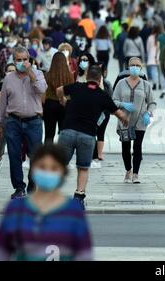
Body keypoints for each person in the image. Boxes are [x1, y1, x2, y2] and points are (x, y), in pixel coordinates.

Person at [0, 144, 93, 261]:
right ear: (33, 170)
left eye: (54, 168)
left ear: (63, 173)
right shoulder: (15, 209)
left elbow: (84, 255)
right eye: (42, 167)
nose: (48, 172)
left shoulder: (74, 212)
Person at [56, 65, 128, 208]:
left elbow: (59, 90)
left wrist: (63, 101)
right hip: (87, 135)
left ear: (87, 75)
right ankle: (79, 196)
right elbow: (119, 114)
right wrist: (126, 119)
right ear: (100, 78)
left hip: (67, 132)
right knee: (83, 168)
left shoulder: (77, 87)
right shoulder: (103, 95)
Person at [0, 47, 48, 199]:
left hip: (34, 122)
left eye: (25, 59)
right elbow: (3, 103)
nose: (22, 63)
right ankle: (19, 187)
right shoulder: (8, 79)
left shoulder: (38, 74)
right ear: (14, 61)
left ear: (29, 60)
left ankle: (33, 182)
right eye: (18, 60)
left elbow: (41, 89)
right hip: (13, 122)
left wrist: (30, 73)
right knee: (14, 155)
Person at [113, 57, 156, 184]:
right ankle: (128, 170)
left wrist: (148, 113)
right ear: (128, 67)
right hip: (124, 120)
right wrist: (123, 104)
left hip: (140, 120)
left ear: (141, 68)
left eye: (137, 65)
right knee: (125, 147)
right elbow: (113, 100)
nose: (135, 67)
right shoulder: (121, 83)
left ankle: (136, 174)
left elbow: (152, 102)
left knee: (137, 147)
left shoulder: (145, 85)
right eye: (133, 65)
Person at [43, 52, 75, 144]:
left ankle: (48, 155)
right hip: (64, 105)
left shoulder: (47, 75)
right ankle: (62, 155)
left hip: (49, 105)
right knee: (63, 133)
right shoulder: (70, 76)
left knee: (49, 133)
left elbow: (44, 92)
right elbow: (71, 92)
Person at [0, 63, 16, 173]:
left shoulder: (20, 84)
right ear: (5, 72)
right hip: (2, 118)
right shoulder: (1, 84)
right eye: (9, 70)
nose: (11, 73)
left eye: (13, 70)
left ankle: (18, 162)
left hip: (16, 118)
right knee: (0, 142)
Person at [91, 63, 113, 168]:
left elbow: (110, 97)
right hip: (93, 111)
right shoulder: (90, 84)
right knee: (93, 131)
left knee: (101, 132)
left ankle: (99, 154)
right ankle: (94, 153)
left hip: (104, 112)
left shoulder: (107, 84)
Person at [146, 25, 161, 90]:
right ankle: (160, 84)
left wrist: (148, 54)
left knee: (153, 71)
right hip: (160, 55)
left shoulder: (150, 37)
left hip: (152, 55)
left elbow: (148, 47)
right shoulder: (160, 37)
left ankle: (154, 84)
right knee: (160, 71)